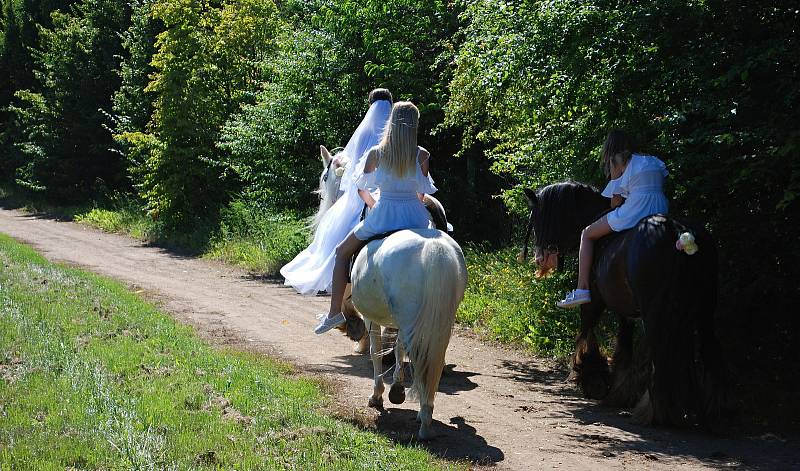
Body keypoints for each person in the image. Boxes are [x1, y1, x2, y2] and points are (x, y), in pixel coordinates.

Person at [314, 101, 437, 334]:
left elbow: (361, 189)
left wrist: (376, 206)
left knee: (341, 252)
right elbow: (422, 193)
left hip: (383, 214)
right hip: (415, 216)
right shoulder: (422, 155)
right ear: (414, 125)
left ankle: (334, 313)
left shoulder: (377, 153)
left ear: (391, 123)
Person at [280, 89, 393, 295]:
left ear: (370, 107)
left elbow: (357, 176)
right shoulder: (399, 133)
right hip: (403, 197)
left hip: (370, 195)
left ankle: (335, 309)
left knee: (340, 250)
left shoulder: (366, 133)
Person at [556, 130, 669, 308]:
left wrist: (616, 204)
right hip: (661, 207)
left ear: (611, 147)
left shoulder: (619, 161)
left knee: (587, 234)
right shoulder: (653, 160)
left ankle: (582, 289)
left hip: (637, 209)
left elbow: (615, 200)